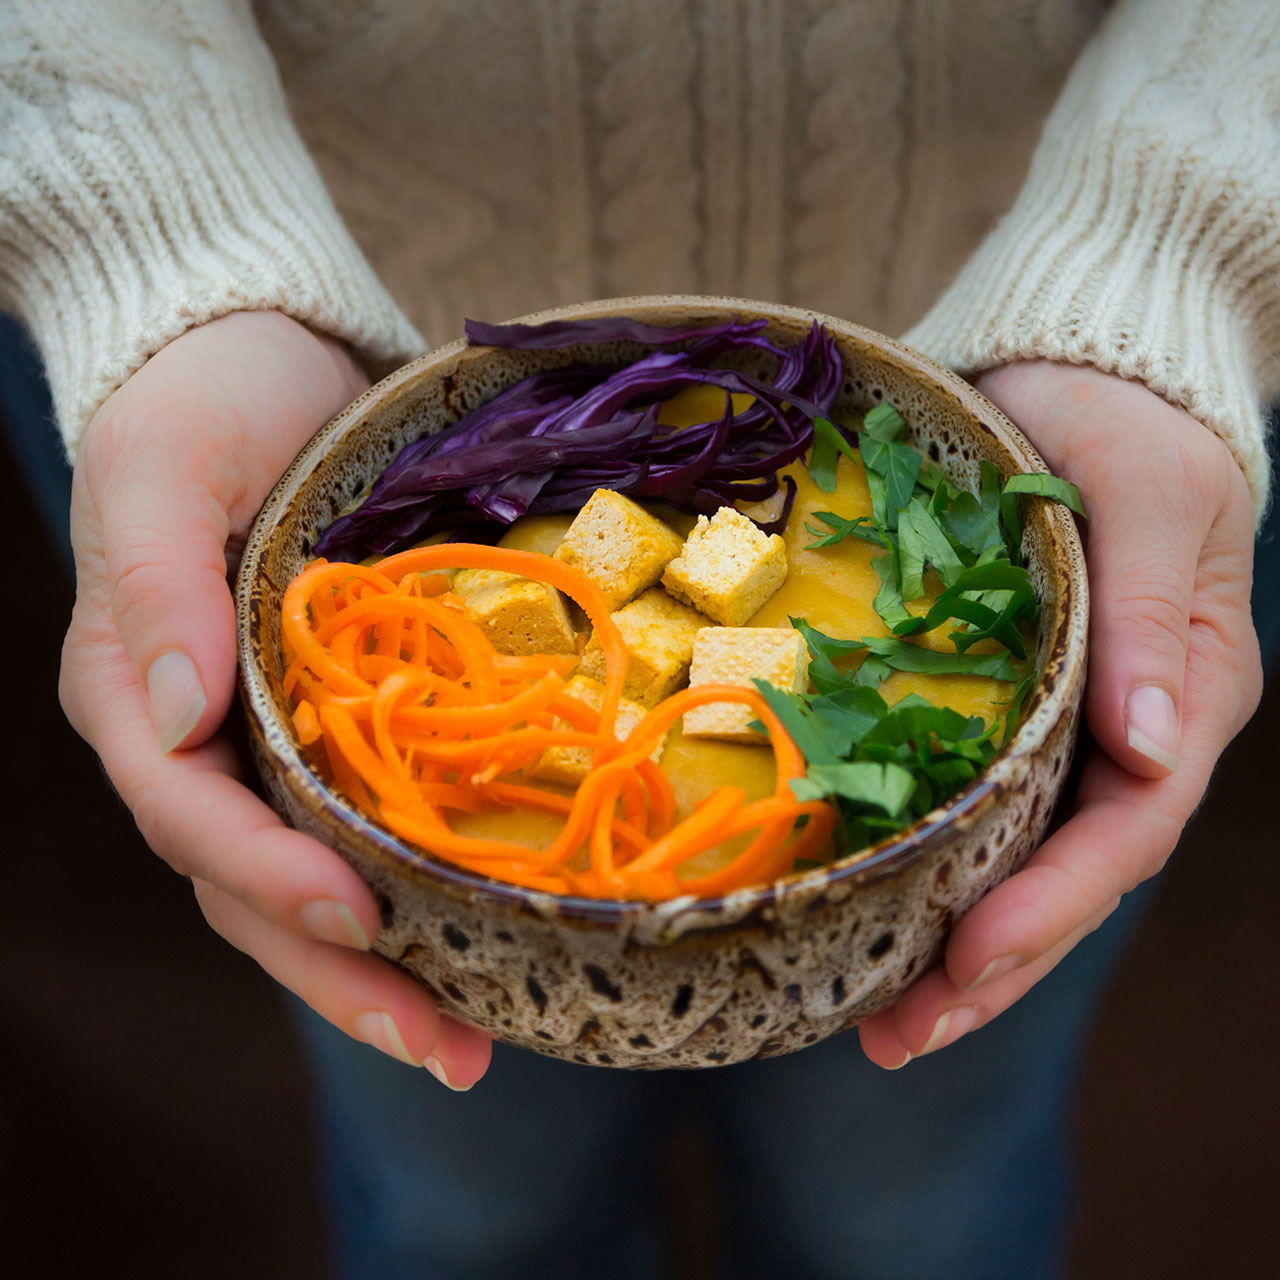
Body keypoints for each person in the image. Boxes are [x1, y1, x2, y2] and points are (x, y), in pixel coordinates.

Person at [3, 2, 1276, 1276]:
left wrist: (1170, 247)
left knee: (911, 1209)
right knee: (469, 1205)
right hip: (290, 319)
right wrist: (160, 243)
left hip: (1087, 353)